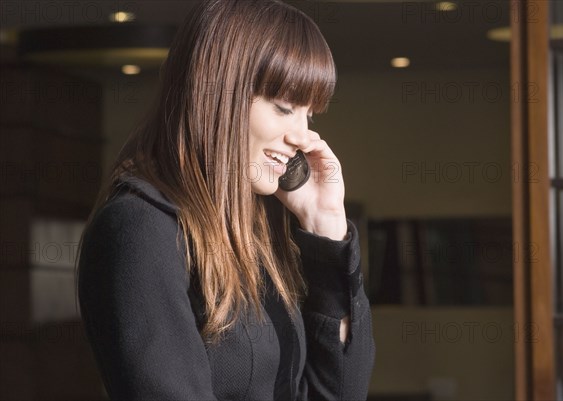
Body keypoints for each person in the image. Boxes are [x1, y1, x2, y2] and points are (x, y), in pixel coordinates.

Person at [76, 0, 376, 400]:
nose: (302, 137)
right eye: (284, 107)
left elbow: (340, 393)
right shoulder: (141, 229)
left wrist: (327, 225)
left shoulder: (255, 233)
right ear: (217, 93)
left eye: (309, 116)